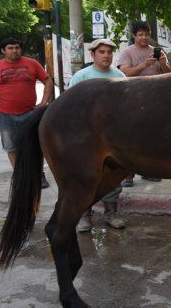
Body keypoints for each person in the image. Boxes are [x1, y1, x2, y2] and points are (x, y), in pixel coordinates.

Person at [70, 39, 127, 232]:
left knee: (111, 177)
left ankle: (111, 214)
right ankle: (85, 216)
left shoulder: (119, 75)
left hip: (112, 138)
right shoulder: (81, 76)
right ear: (93, 55)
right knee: (86, 177)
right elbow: (69, 106)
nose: (106, 55)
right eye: (101, 52)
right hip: (86, 138)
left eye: (109, 52)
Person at [0, 38, 53, 188]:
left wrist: (43, 102)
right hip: (5, 115)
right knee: (11, 147)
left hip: (30, 113)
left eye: (17, 48)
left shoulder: (32, 64)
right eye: (10, 48)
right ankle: (20, 175)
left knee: (35, 146)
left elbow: (47, 81)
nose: (14, 51)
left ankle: (39, 175)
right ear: (3, 50)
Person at [118, 21, 171, 186]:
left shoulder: (158, 52)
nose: (144, 37)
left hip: (155, 100)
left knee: (152, 138)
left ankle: (149, 171)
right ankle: (128, 175)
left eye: (147, 34)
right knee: (130, 137)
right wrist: (144, 65)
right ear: (134, 35)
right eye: (140, 34)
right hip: (132, 100)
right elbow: (124, 73)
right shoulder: (127, 52)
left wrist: (163, 64)